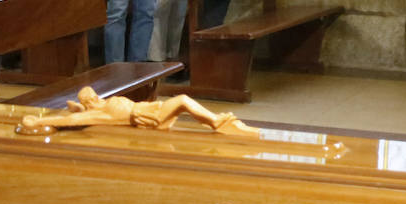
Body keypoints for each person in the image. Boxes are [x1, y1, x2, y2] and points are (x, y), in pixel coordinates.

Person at [18, 85, 255, 136]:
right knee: (182, 99)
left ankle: (219, 122)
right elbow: (70, 121)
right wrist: (36, 123)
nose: (94, 98)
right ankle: (218, 122)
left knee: (181, 101)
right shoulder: (98, 114)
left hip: (149, 109)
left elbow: (78, 112)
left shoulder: (102, 105)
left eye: (93, 94)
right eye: (90, 98)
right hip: (146, 116)